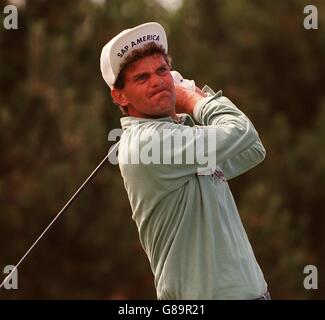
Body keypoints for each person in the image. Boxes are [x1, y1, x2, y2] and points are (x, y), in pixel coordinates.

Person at [100, 22, 270, 300]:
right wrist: (193, 100)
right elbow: (241, 130)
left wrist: (189, 109)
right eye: (141, 78)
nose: (156, 81)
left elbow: (252, 149)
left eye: (161, 71)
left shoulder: (178, 137)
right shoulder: (148, 142)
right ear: (119, 95)